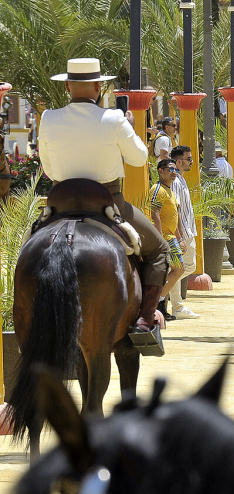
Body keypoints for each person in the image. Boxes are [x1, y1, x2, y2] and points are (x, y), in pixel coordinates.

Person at [38, 57, 170, 342]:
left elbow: (48, 169)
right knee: (159, 250)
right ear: (99, 86)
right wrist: (129, 127)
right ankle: (146, 320)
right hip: (108, 204)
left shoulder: (48, 118)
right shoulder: (113, 119)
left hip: (60, 204)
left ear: (68, 87)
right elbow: (139, 158)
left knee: (29, 246)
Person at [148, 159, 187, 311]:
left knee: (177, 270)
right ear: (160, 171)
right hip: (164, 238)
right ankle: (157, 302)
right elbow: (154, 214)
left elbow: (174, 217)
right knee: (179, 269)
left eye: (175, 170)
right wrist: (160, 240)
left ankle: (159, 303)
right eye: (170, 169)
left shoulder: (170, 191)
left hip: (171, 238)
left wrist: (180, 238)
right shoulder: (157, 189)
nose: (174, 173)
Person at [168, 145, 200, 320]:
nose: (191, 162)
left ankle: (175, 304)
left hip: (187, 231)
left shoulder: (181, 179)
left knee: (183, 268)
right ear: (179, 161)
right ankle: (175, 305)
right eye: (189, 159)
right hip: (182, 233)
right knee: (182, 268)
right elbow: (175, 211)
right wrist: (179, 237)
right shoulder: (175, 181)